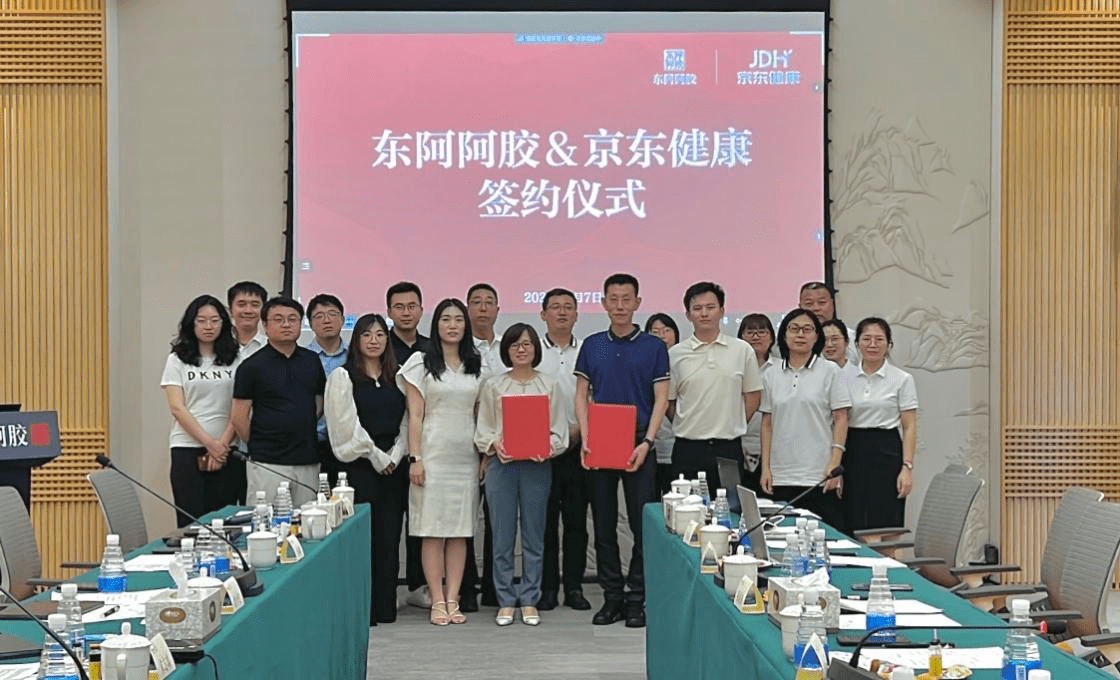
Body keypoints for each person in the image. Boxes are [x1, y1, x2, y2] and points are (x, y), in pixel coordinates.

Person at [574, 273, 670, 629]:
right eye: (612, 299)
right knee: (603, 523)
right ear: (603, 303)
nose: (619, 306)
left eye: (626, 299)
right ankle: (611, 596)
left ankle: (636, 598)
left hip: (639, 439)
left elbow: (661, 399)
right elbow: (581, 394)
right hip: (601, 438)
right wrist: (586, 438)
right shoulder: (593, 344)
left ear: (637, 303)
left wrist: (648, 442)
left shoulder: (653, 346)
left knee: (641, 523)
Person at [475, 323, 568, 627]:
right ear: (507, 350)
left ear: (535, 349)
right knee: (501, 537)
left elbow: (560, 431)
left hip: (537, 467)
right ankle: (505, 600)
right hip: (501, 466)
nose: (521, 349)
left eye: (527, 344)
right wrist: (494, 445)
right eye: (515, 344)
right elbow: (483, 429)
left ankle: (529, 598)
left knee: (534, 536)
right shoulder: (494, 386)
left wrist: (548, 449)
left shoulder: (549, 385)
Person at [398, 298, 484, 626]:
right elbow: (415, 416)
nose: (452, 325)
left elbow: (481, 413)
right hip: (431, 456)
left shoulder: (477, 364)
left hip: (465, 457)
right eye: (446, 319)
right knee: (432, 531)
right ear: (436, 325)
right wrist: (415, 458)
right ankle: (436, 599)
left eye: (458, 320)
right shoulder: (420, 363)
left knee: (460, 531)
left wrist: (484, 456)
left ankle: (453, 598)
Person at [325, 313, 408, 625]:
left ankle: (385, 607)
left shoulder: (399, 376)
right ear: (356, 340)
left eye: (380, 335)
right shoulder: (343, 377)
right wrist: (376, 456)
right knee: (363, 540)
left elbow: (409, 419)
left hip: (394, 467)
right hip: (358, 468)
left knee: (389, 537)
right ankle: (364, 611)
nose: (374, 341)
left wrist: (396, 454)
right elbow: (345, 425)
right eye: (367, 335)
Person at [668, 283, 762, 508]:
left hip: (728, 449)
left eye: (710, 307)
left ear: (722, 311)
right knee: (687, 513)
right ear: (688, 314)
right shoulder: (675, 354)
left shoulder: (742, 350)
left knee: (730, 512)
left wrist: (732, 421)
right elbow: (669, 403)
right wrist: (689, 422)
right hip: (688, 449)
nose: (704, 313)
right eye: (697, 308)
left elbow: (752, 396)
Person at [759, 308, 850, 530]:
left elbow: (841, 419)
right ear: (784, 335)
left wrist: (834, 464)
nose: (801, 334)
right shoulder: (771, 374)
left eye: (807, 329)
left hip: (818, 476)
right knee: (782, 536)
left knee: (821, 537)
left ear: (817, 337)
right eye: (794, 329)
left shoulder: (830, 371)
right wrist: (766, 468)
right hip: (781, 474)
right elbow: (767, 424)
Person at [231, 297, 326, 507]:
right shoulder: (251, 366)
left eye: (292, 319)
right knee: (266, 519)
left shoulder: (311, 360)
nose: (286, 324)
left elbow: (318, 404)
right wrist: (261, 441)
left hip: (307, 458)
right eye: (278, 319)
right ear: (265, 326)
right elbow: (239, 417)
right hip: (267, 461)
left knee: (308, 520)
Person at [160, 295, 244, 527]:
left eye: (215, 320)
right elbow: (177, 408)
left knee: (225, 523)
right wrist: (210, 443)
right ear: (191, 323)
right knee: (191, 523)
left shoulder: (236, 358)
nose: (209, 326)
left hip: (227, 450)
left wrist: (221, 445)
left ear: (224, 323)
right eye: (202, 320)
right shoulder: (177, 359)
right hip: (187, 449)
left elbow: (240, 406)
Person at [537, 288, 591, 612]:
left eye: (568, 307)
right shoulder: (531, 351)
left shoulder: (587, 351)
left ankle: (573, 587)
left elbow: (594, 396)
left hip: (579, 448)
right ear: (543, 314)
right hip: (540, 450)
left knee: (576, 522)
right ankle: (546, 588)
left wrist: (577, 431)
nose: (561, 312)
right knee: (543, 523)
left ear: (576, 314)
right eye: (555, 307)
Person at [843, 317, 919, 531]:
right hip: (853, 450)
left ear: (889, 345)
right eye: (866, 339)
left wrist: (907, 467)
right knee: (858, 523)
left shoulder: (902, 379)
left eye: (879, 339)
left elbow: (909, 427)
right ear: (857, 344)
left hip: (887, 451)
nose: (872, 344)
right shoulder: (843, 376)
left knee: (886, 525)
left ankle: (889, 554)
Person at [385, 281, 431, 609]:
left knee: (421, 522)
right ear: (389, 311)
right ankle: (386, 590)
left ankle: (419, 585)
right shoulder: (377, 344)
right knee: (389, 525)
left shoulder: (432, 348)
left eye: (411, 306)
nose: (405, 312)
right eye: (399, 307)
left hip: (425, 449)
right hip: (386, 451)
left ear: (421, 310)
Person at [462, 282, 501, 611]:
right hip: (462, 444)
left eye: (489, 302)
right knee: (464, 518)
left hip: (503, 447)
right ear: (467, 309)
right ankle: (465, 586)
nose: (483, 308)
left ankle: (493, 587)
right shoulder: (456, 351)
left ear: (498, 310)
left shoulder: (509, 348)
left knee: (497, 519)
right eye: (476, 302)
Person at [307, 293, 348, 484]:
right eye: (319, 316)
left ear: (343, 319)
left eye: (333, 314)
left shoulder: (356, 357)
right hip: (313, 442)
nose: (327, 320)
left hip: (349, 443)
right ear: (310, 323)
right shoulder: (302, 358)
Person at [737, 313, 777, 495]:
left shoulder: (781, 368)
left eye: (762, 332)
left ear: (772, 338)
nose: (755, 337)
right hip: (739, 446)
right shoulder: (733, 368)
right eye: (750, 332)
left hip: (774, 449)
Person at [644, 313, 680, 494]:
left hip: (678, 446)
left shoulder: (683, 362)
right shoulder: (642, 365)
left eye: (666, 330)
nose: (662, 336)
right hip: (648, 447)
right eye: (655, 332)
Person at [798, 281, 859, 365]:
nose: (816, 308)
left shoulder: (852, 338)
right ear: (800, 308)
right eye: (809, 304)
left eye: (822, 302)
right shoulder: (793, 340)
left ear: (833, 305)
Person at [227, 281, 268, 359]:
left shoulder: (270, 346)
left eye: (255, 305)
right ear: (230, 310)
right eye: (241, 305)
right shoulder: (216, 345)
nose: (248, 311)